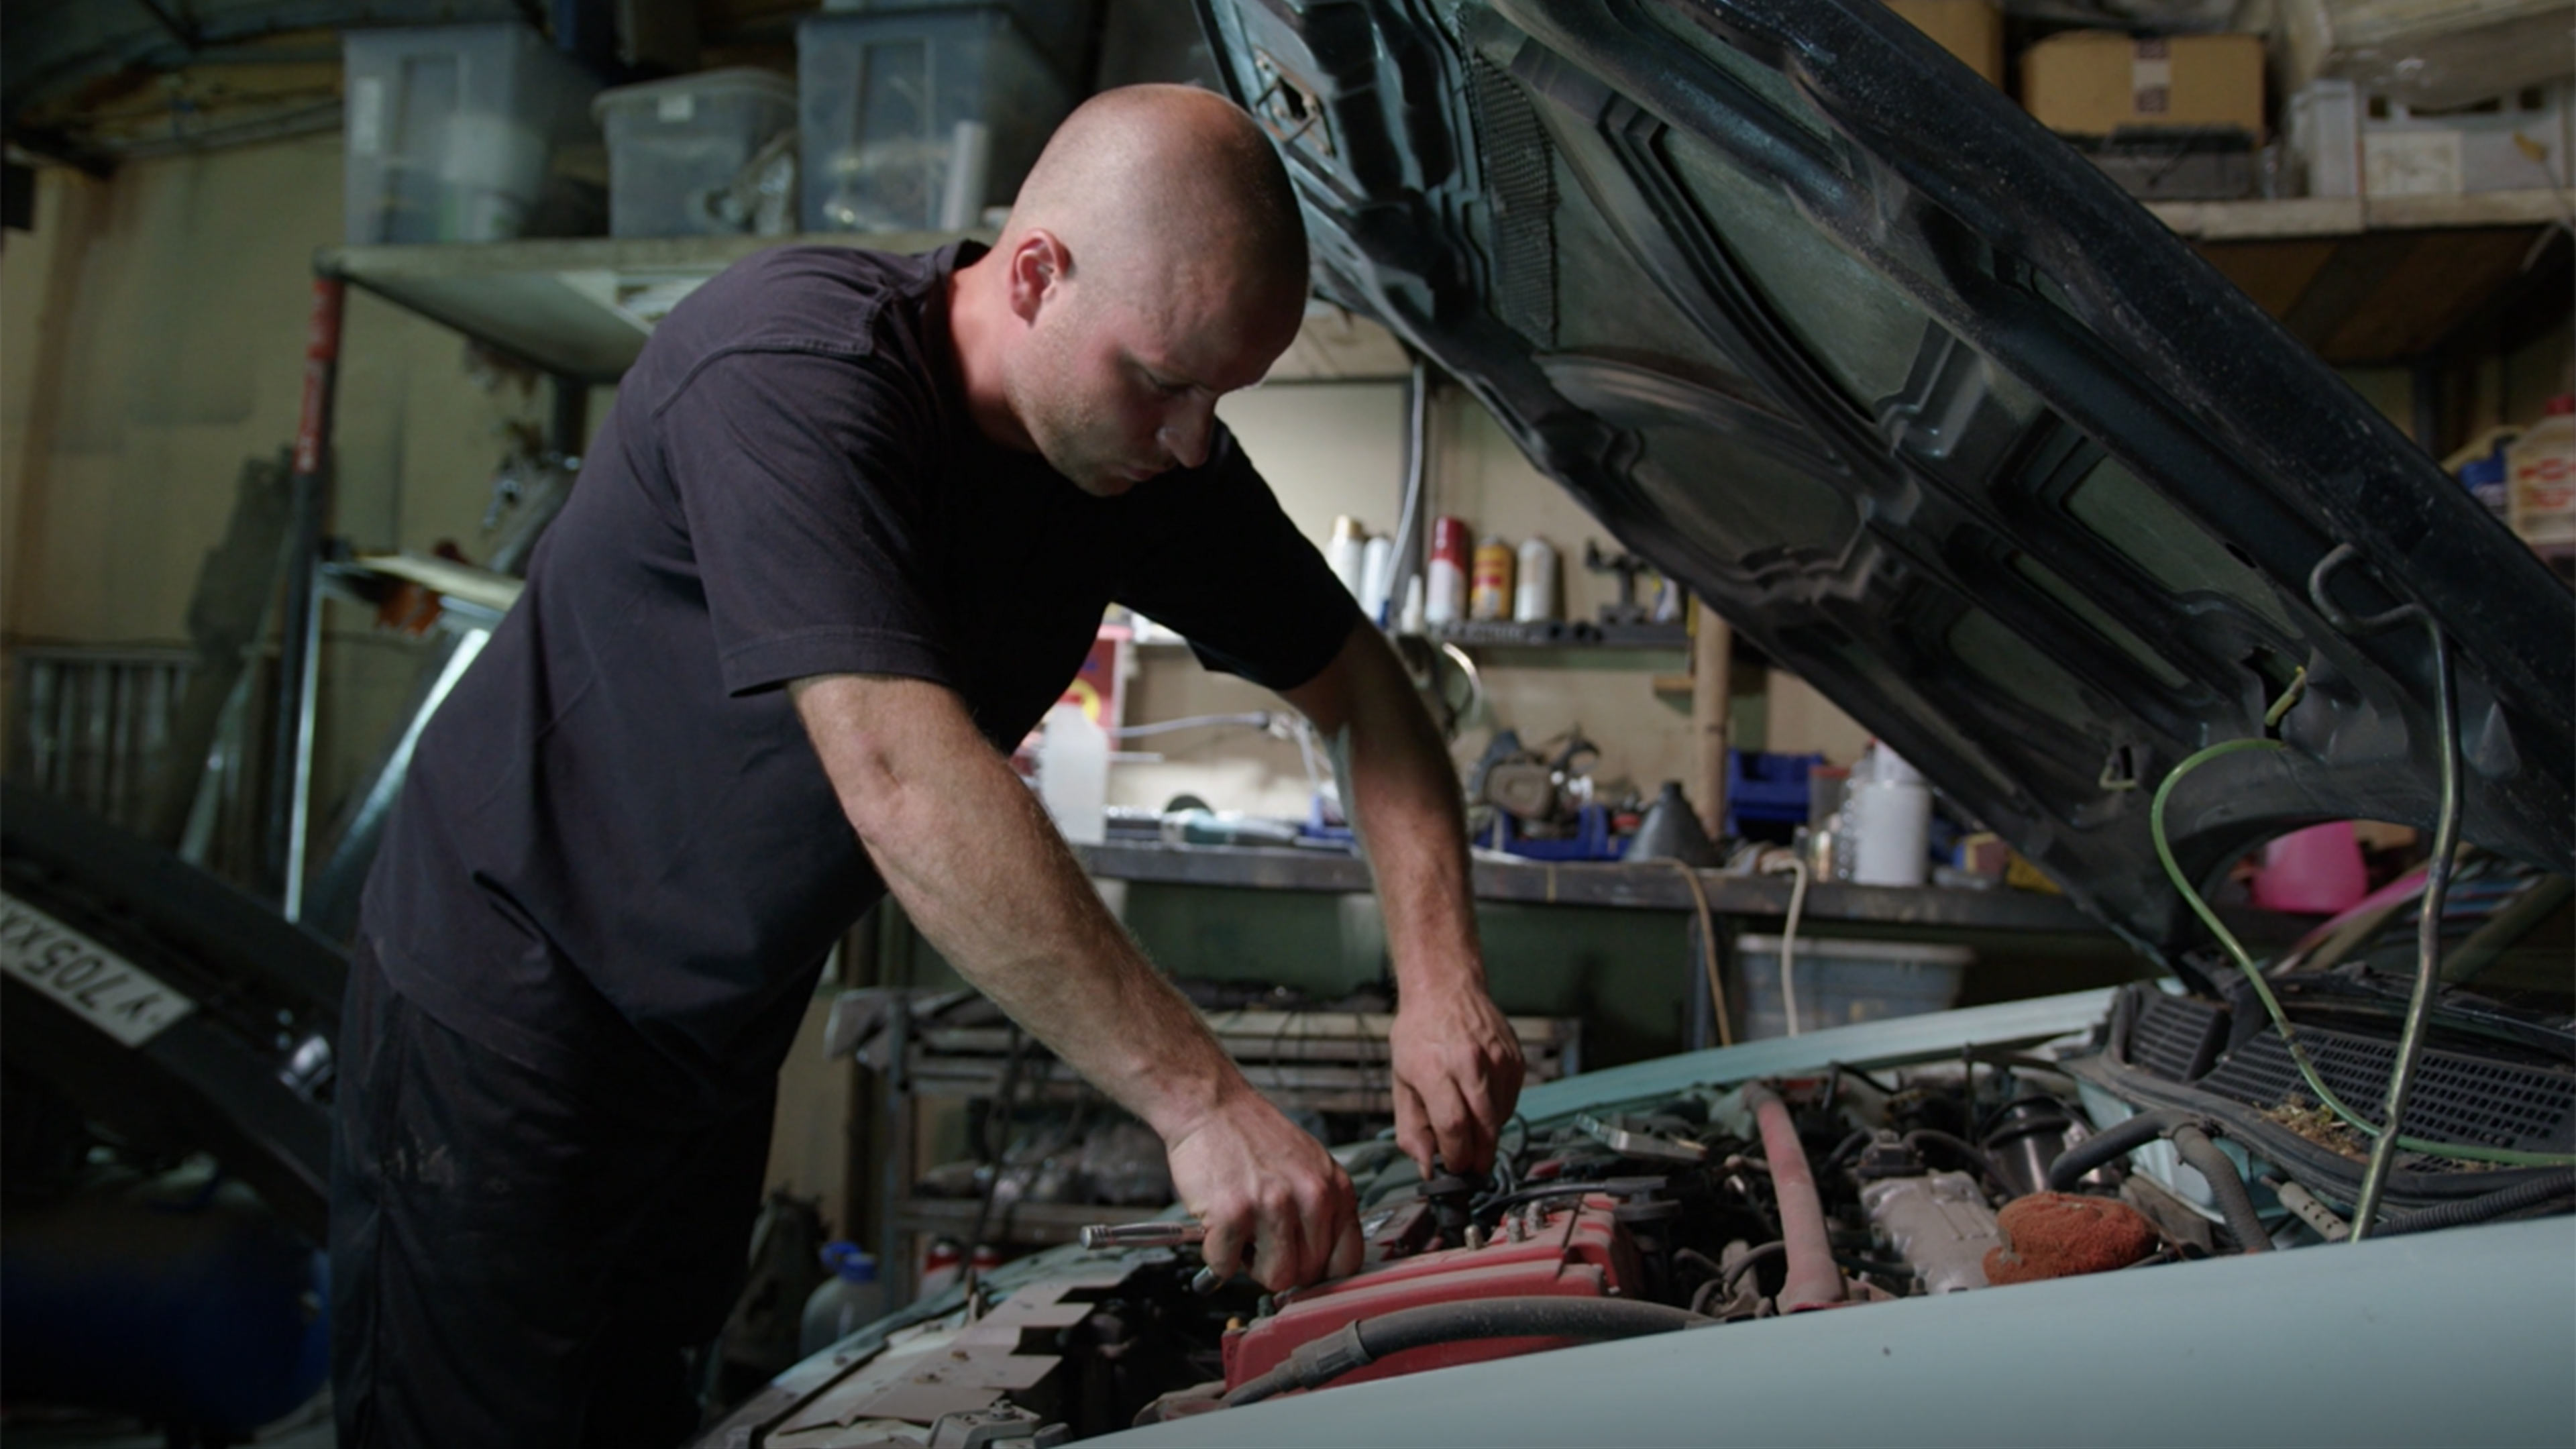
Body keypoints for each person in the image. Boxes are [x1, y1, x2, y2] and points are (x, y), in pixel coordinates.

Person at [328, 84, 1523, 1447]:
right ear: (1033, 275)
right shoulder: (791, 375)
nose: (1196, 439)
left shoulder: (1138, 458)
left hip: (710, 1027)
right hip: (507, 998)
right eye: (1165, 382)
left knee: (635, 1407)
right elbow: (901, 777)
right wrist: (1202, 1104)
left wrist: (1442, 981)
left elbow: (1369, 691)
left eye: (1223, 397)